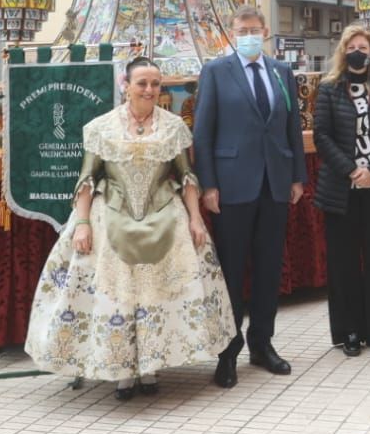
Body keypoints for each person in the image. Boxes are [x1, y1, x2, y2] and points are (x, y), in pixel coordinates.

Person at [26, 57, 235, 400]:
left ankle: (150, 367)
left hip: (164, 217)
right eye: (142, 83)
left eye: (156, 84)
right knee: (119, 295)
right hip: (111, 217)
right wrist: (81, 224)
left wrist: (196, 219)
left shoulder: (173, 127)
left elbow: (185, 177)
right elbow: (87, 180)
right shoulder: (101, 127)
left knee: (153, 295)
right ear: (126, 85)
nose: (150, 90)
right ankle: (122, 371)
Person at [192, 5, 306, 389]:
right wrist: (208, 184)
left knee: (268, 268)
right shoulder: (215, 72)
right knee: (231, 269)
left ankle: (263, 343)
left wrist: (297, 177)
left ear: (266, 31)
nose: (249, 34)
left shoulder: (282, 72)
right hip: (231, 187)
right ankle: (228, 351)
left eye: (255, 29)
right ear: (231, 32)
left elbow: (292, 127)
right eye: (242, 29)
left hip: (275, 184)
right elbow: (203, 133)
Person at [313, 25, 370, 356]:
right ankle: (348, 332)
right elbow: (321, 136)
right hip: (340, 190)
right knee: (343, 263)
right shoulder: (329, 90)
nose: (358, 52)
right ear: (342, 51)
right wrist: (351, 170)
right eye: (352, 46)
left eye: (364, 47)